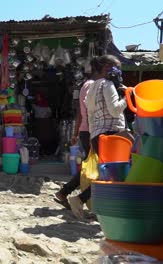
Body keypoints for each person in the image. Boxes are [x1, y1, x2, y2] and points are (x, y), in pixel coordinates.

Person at [67, 55, 128, 219]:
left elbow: (90, 115)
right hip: (111, 134)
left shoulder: (92, 87)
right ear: (106, 69)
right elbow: (115, 110)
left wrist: (94, 137)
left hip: (98, 134)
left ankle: (90, 203)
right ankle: (82, 199)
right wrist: (128, 97)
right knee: (114, 174)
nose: (116, 73)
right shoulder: (108, 85)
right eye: (114, 69)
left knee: (107, 174)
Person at [54, 58, 99, 211]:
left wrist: (76, 132)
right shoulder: (93, 86)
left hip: (87, 130)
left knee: (89, 166)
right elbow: (91, 112)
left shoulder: (85, 86)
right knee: (97, 167)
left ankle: (65, 191)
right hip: (93, 130)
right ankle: (76, 196)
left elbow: (80, 112)